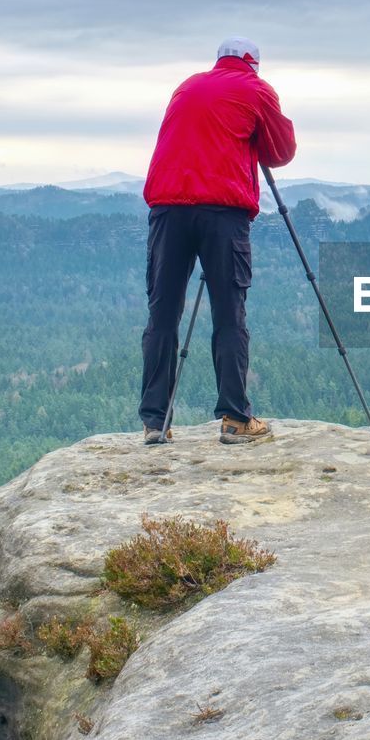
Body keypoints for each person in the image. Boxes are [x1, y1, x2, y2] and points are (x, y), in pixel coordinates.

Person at [139, 37, 296, 444]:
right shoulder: (256, 90)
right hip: (222, 213)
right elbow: (281, 151)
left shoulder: (187, 85)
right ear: (253, 65)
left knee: (162, 314)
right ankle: (235, 419)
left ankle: (155, 421)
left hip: (167, 209)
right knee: (229, 314)